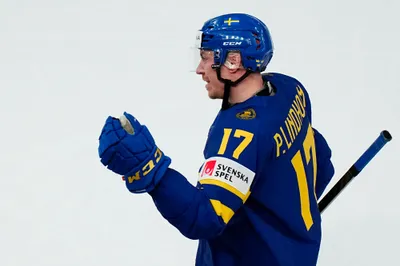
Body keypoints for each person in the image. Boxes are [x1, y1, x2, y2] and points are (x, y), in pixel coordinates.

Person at [98, 13, 335, 266]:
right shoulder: (289, 89)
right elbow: (321, 160)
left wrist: (153, 171)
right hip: (299, 252)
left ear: (233, 62)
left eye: (205, 58)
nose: (200, 69)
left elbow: (205, 217)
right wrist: (285, 222)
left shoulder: (240, 135)